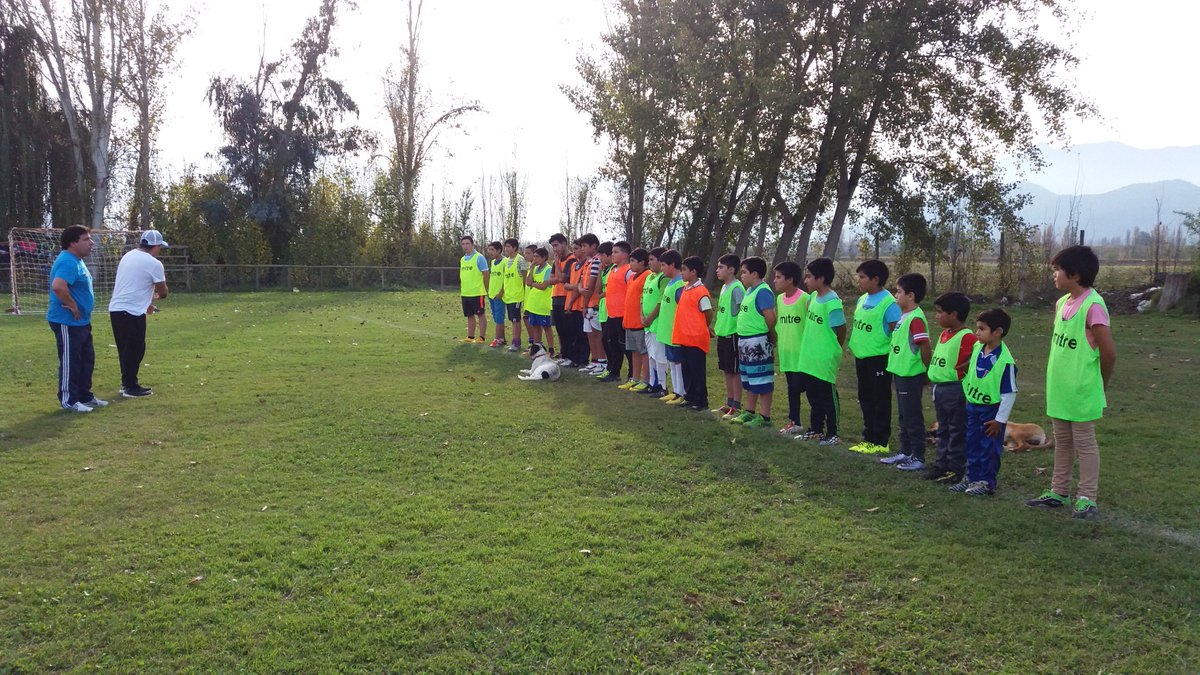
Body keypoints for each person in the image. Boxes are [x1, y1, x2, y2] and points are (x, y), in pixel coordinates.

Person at [1025, 246, 1116, 520]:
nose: (1054, 274)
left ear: (1074, 274)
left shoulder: (1094, 306)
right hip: (1060, 388)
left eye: (1057, 270)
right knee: (1063, 442)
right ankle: (1058, 492)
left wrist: (1099, 383)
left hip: (1082, 389)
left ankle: (1087, 497)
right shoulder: (1062, 303)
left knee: (1085, 443)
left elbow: (1109, 353)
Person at [950, 309, 1018, 496]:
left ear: (997, 332)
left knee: (988, 447)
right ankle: (971, 477)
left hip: (992, 413)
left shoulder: (1006, 362)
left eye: (981, 329)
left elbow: (1009, 393)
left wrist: (1000, 420)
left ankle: (986, 482)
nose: (976, 332)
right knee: (972, 443)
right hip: (973, 407)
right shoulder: (978, 348)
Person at [48, 225, 105, 412]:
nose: (91, 243)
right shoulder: (68, 261)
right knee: (71, 361)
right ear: (73, 243)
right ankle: (69, 400)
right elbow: (58, 286)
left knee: (86, 360)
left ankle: (84, 396)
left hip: (81, 322)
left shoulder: (77, 261)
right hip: (67, 321)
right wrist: (72, 305)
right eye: (86, 239)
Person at [109, 229, 170, 398]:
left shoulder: (128, 256)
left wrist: (147, 302)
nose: (160, 251)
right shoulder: (154, 263)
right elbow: (163, 291)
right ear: (155, 246)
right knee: (135, 349)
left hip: (116, 309)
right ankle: (130, 386)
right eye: (160, 247)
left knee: (125, 349)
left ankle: (126, 383)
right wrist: (157, 295)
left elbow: (136, 284)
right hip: (132, 311)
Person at [847, 260, 900, 455]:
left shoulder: (888, 303)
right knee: (865, 397)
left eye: (862, 277)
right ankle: (868, 437)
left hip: (879, 358)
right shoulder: (862, 299)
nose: (858, 280)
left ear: (876, 279)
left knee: (879, 399)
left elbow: (897, 331)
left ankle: (880, 440)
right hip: (862, 356)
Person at [880, 273, 932, 471]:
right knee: (903, 415)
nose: (895, 295)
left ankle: (918, 456)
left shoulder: (916, 318)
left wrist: (926, 371)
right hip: (900, 373)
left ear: (910, 295)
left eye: (898, 291)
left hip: (911, 374)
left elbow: (924, 345)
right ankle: (905, 451)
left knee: (912, 416)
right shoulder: (905, 316)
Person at [923, 292, 976, 484]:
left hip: (955, 390)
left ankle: (956, 468)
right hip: (940, 388)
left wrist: (967, 366)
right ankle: (941, 463)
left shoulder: (967, 336)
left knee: (956, 429)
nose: (936, 316)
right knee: (943, 428)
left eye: (940, 312)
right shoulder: (945, 333)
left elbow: (976, 357)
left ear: (953, 314)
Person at [794, 257, 846, 445]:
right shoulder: (813, 298)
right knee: (813, 396)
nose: (805, 281)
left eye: (809, 277)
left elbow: (840, 330)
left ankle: (833, 433)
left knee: (827, 396)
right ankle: (816, 429)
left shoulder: (832, 302)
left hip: (824, 357)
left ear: (821, 279)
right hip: (810, 356)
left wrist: (833, 349)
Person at [728, 256, 776, 428]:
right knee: (749, 379)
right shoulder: (749, 291)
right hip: (745, 342)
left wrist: (772, 337)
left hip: (758, 342)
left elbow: (770, 318)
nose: (742, 276)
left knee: (762, 380)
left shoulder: (763, 292)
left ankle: (764, 416)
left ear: (755, 274)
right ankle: (749, 412)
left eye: (744, 273)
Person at [672, 256, 715, 411]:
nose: (681, 273)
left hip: (696, 338)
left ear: (694, 272)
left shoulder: (701, 291)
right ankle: (690, 397)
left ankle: (701, 400)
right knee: (687, 370)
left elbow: (708, 312)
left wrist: (703, 326)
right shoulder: (685, 288)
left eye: (684, 270)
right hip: (684, 337)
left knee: (697, 371)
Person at [773, 261, 810, 436]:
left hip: (803, 355)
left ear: (790, 279)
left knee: (807, 389)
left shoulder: (805, 299)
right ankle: (794, 422)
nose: (775, 281)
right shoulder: (780, 299)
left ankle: (820, 424)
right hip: (787, 353)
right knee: (792, 389)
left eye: (779, 277)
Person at [654, 249, 687, 405]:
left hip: (676, 333)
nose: (661, 269)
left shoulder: (680, 285)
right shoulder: (670, 283)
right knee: (672, 363)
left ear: (672, 265)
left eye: (663, 265)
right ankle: (676, 391)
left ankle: (682, 392)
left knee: (678, 363)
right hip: (667, 332)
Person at [714, 254, 745, 418]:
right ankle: (729, 402)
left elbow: (742, 310)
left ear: (731, 270)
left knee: (735, 371)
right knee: (727, 369)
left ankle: (737, 405)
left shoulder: (737, 288)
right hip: (723, 334)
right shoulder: (725, 287)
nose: (717, 270)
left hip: (733, 335)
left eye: (721, 267)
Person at [598, 241, 633, 382]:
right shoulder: (613, 270)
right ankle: (613, 371)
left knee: (625, 346)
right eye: (612, 252)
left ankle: (632, 374)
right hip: (611, 314)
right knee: (609, 342)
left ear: (625, 255)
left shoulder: (629, 271)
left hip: (623, 315)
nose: (613, 255)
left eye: (616, 252)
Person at [638, 247, 669, 396]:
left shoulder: (663, 278)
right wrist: (642, 316)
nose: (649, 262)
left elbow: (661, 300)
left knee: (660, 356)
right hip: (647, 325)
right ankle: (652, 383)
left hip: (656, 324)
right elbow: (642, 298)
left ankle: (662, 386)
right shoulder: (649, 277)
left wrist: (650, 318)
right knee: (651, 355)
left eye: (652, 260)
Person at [620, 248, 651, 392]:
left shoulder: (647, 276)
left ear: (642, 262)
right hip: (629, 321)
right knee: (634, 352)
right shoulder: (632, 276)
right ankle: (634, 378)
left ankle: (646, 380)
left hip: (640, 322)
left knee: (644, 352)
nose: (630, 264)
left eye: (633, 261)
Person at [575, 234, 605, 374]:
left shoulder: (597, 261)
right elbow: (581, 283)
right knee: (589, 334)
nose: (582, 249)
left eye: (585, 246)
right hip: (587, 303)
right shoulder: (588, 262)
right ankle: (594, 360)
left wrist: (585, 302)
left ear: (593, 246)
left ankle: (602, 362)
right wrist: (581, 290)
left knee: (596, 334)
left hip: (594, 303)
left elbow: (590, 287)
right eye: (581, 246)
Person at [458, 235, 489, 344]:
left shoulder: (479, 257)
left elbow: (486, 274)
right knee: (469, 315)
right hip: (466, 292)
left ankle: (481, 337)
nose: (465, 246)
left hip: (477, 292)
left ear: (472, 244)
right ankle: (470, 336)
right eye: (463, 244)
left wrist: (486, 289)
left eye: (467, 243)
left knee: (480, 314)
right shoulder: (462, 259)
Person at [522, 247, 555, 348]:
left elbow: (544, 286)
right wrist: (531, 269)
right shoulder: (535, 268)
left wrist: (533, 284)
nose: (535, 259)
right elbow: (528, 282)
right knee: (535, 327)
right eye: (534, 256)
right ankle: (537, 347)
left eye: (537, 256)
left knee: (546, 328)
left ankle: (551, 349)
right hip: (534, 305)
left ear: (544, 257)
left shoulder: (548, 269)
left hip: (544, 305)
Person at [501, 238, 526, 352]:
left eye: (508, 246)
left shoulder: (520, 260)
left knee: (516, 320)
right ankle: (514, 341)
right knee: (512, 320)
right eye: (505, 246)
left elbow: (525, 278)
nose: (506, 248)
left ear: (514, 248)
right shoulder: (506, 261)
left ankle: (516, 342)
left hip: (517, 296)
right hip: (508, 296)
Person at [485, 241, 507, 347]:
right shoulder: (493, 262)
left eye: (492, 249)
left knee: (499, 317)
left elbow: (506, 280)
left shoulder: (505, 262)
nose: (490, 252)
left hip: (500, 295)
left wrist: (501, 292)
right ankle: (502, 338)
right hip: (492, 294)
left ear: (499, 250)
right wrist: (489, 290)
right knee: (496, 317)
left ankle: (497, 339)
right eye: (489, 249)